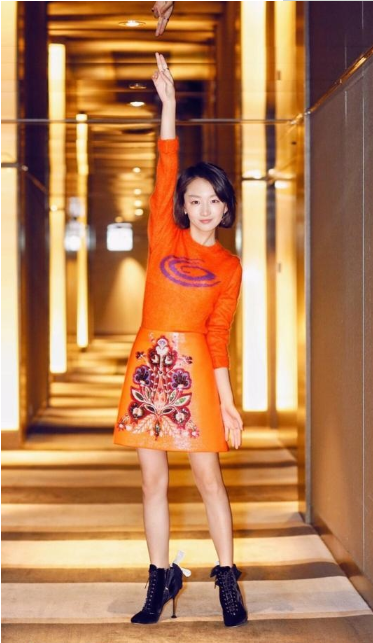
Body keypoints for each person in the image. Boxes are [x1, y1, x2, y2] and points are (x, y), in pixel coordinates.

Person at [113, 52, 248, 629]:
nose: (204, 209)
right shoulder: (164, 236)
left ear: (225, 207)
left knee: (208, 478)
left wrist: (227, 401)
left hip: (194, 369)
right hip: (149, 364)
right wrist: (168, 105)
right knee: (152, 481)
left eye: (214, 201)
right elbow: (166, 162)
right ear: (183, 206)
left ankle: (227, 579)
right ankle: (158, 577)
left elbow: (217, 335)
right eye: (195, 200)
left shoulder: (229, 266)